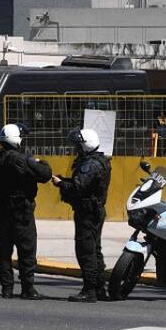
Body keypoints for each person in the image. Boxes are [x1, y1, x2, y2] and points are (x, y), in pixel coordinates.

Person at [0, 123, 53, 300]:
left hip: (3, 212)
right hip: (21, 212)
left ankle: (7, 288)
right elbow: (45, 174)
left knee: (4, 252)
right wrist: (41, 162)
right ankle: (28, 288)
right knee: (27, 251)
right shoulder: (21, 160)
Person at [54, 128, 112, 303]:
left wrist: (61, 184)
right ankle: (99, 288)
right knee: (94, 250)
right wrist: (64, 180)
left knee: (86, 251)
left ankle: (89, 290)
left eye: (78, 146)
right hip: (94, 210)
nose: (76, 149)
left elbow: (78, 188)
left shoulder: (90, 165)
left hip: (87, 212)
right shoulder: (99, 161)